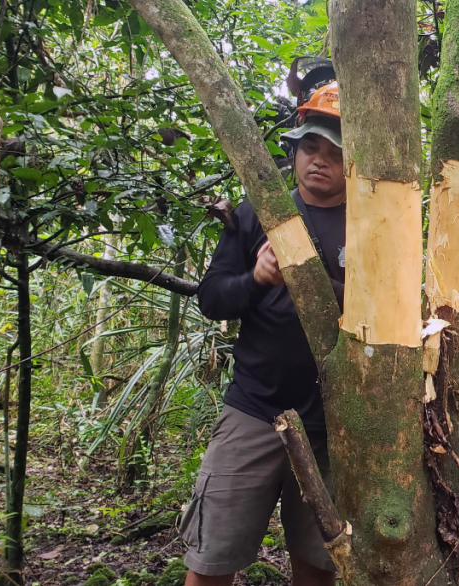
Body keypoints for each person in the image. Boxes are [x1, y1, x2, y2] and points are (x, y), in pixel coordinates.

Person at [179, 81, 346, 586]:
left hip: (332, 425)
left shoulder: (376, 222)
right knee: (212, 558)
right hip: (253, 408)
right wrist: (256, 278)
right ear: (294, 149)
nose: (320, 161)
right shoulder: (260, 212)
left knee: (321, 562)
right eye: (311, 148)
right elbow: (211, 298)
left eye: (335, 153)